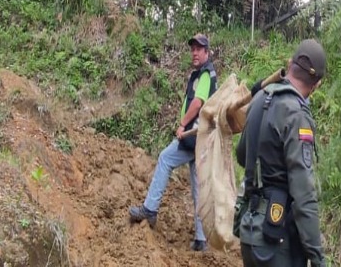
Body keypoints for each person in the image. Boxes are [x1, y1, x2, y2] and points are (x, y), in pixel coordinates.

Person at [235, 39, 327, 267]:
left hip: (250, 234)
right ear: (317, 84)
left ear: (289, 64)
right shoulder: (297, 115)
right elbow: (304, 194)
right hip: (277, 242)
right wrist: (317, 258)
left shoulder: (259, 99)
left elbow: (242, 155)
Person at [129, 33, 217, 252]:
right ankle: (201, 239)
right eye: (192, 49)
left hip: (194, 136)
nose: (194, 53)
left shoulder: (205, 74)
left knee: (165, 158)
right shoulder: (201, 73)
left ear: (207, 52)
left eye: (199, 49)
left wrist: (182, 124)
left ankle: (150, 209)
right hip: (201, 139)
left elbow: (198, 103)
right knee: (197, 186)